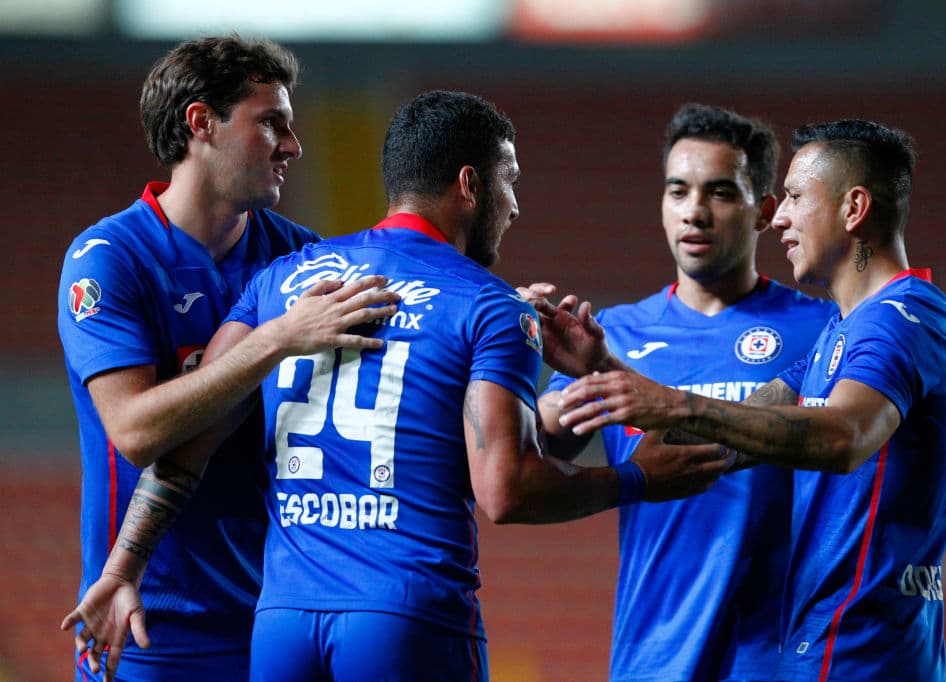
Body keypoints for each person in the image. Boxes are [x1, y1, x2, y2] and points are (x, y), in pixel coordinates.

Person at [64, 90, 736, 682]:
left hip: (283, 623)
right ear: (469, 184)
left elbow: (187, 446)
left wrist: (121, 571)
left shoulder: (284, 283)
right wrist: (637, 480)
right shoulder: (487, 305)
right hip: (408, 617)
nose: (516, 205)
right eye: (510, 183)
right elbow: (505, 490)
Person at [557, 119, 946, 681]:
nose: (780, 217)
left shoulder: (901, 319)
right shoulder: (843, 334)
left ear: (853, 209)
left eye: (796, 197)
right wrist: (604, 371)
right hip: (823, 649)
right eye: (677, 190)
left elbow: (844, 437)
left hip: (868, 655)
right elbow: (737, 430)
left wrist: (677, 405)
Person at [57, 35, 398, 681]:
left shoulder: (300, 258)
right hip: (148, 621)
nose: (294, 146)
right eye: (272, 124)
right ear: (200, 123)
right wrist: (275, 341)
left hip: (279, 614)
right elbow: (133, 430)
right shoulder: (109, 259)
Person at [528, 103, 835, 680]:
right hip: (654, 656)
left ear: (764, 211)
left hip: (780, 659)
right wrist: (515, 352)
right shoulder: (612, 334)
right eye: (678, 191)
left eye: (720, 193)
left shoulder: (822, 330)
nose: (694, 211)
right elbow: (532, 460)